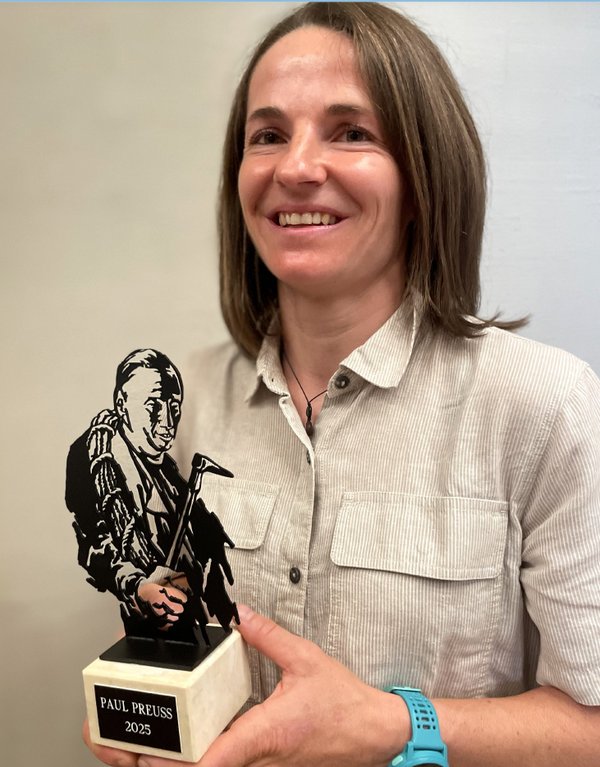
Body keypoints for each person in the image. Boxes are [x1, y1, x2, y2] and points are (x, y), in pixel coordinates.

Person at [85, 3, 600, 766]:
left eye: (351, 131)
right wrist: (143, 706)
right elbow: (171, 625)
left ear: (424, 175)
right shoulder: (183, 404)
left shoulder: (544, 406)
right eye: (268, 135)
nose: (295, 167)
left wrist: (394, 722)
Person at [66, 348, 238, 643]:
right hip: (148, 627)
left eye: (175, 406)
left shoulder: (169, 473)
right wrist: (138, 587)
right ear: (122, 405)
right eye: (153, 405)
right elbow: (93, 542)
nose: (168, 420)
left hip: (193, 627)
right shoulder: (92, 458)